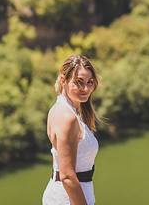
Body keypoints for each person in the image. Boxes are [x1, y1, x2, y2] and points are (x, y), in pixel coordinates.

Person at [42, 54, 103, 205]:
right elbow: (67, 176)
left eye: (90, 82)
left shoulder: (66, 111)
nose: (86, 88)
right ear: (63, 80)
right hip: (67, 199)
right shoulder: (66, 117)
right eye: (79, 82)